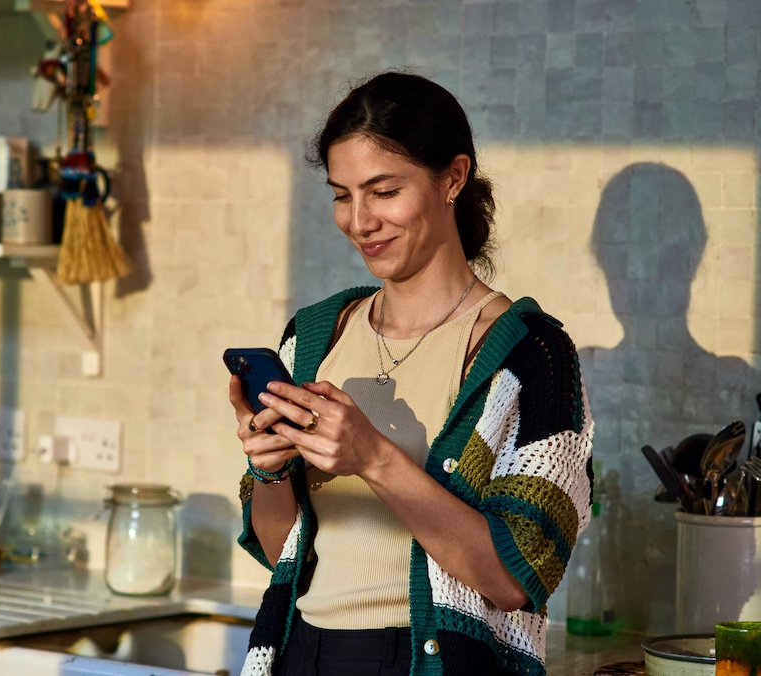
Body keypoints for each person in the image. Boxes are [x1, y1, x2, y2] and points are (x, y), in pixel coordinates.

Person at [228, 72, 595, 676]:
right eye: (342, 194)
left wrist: (374, 457)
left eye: (384, 191)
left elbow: (515, 576)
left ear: (453, 177)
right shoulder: (316, 337)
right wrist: (268, 471)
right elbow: (280, 551)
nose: (359, 220)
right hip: (301, 654)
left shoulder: (531, 356)